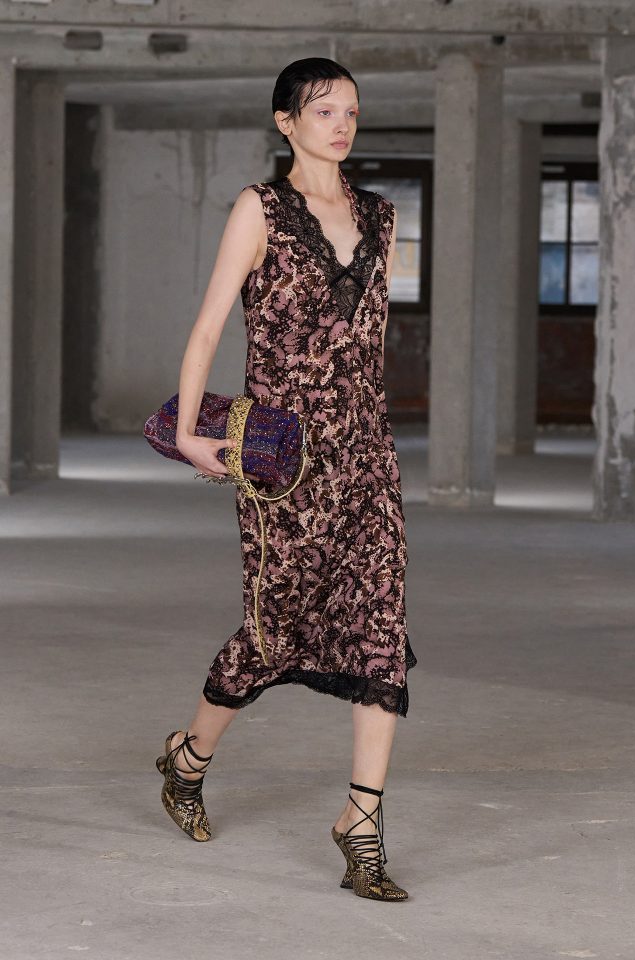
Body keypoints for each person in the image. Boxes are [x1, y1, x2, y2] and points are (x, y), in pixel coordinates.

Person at [154, 57, 417, 902]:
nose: (341, 125)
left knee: (380, 628)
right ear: (286, 121)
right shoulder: (259, 210)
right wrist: (190, 433)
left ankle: (362, 825)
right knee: (274, 631)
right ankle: (188, 759)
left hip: (366, 456)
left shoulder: (382, 217)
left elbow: (370, 344)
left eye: (351, 111)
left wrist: (372, 442)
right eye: (323, 109)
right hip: (284, 461)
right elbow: (208, 328)